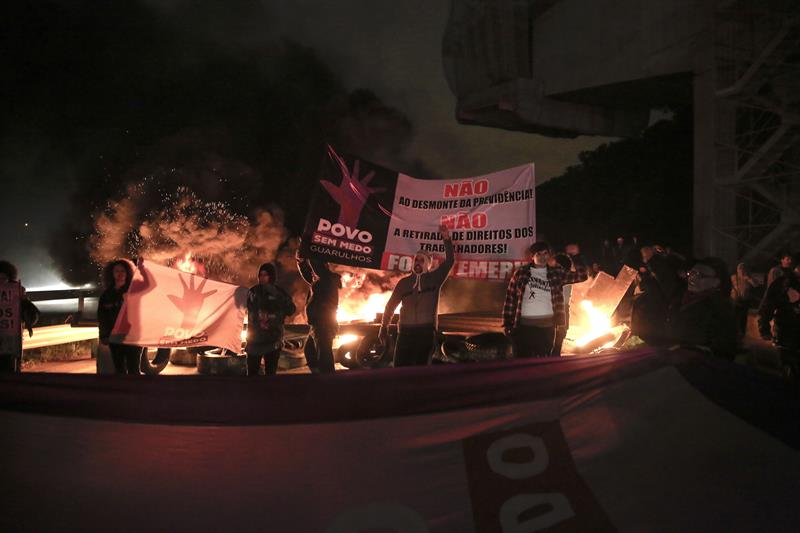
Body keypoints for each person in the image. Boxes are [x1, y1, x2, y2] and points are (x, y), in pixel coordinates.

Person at [378, 225, 455, 366]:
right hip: (405, 333)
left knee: (421, 371)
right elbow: (390, 306)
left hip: (426, 332)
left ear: (428, 265)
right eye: (416, 260)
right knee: (400, 369)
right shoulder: (404, 283)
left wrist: (446, 239)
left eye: (421, 260)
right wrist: (383, 327)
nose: (418, 262)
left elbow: (450, 261)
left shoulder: (435, 279)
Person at [503, 242, 588, 358]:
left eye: (545, 254)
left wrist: (575, 256)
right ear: (532, 256)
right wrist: (508, 323)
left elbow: (582, 275)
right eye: (539, 254)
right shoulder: (521, 273)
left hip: (547, 327)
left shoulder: (556, 273)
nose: (543, 257)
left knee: (543, 361)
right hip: (524, 326)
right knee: (522, 362)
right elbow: (510, 297)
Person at [667, 258, 737, 359]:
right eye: (691, 273)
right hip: (677, 360)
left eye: (699, 275)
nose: (692, 278)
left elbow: (723, 351)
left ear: (716, 282)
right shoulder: (681, 300)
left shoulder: (719, 310)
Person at [296, 242, 341, 374]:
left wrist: (309, 251)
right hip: (317, 323)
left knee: (324, 356)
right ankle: (321, 378)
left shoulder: (327, 279)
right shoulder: (320, 281)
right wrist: (301, 260)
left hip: (324, 323)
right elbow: (308, 273)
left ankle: (327, 382)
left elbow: (316, 267)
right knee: (310, 352)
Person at [245, 262, 296, 376]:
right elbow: (244, 306)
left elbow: (291, 309)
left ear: (271, 276)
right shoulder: (253, 291)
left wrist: (274, 313)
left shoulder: (278, 292)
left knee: (270, 375)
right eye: (260, 275)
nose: (262, 278)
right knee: (252, 375)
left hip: (272, 341)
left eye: (265, 275)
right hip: (254, 340)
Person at [97, 259, 143, 374]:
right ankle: (122, 391)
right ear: (111, 274)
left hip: (133, 337)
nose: (120, 274)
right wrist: (104, 336)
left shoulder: (134, 292)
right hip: (115, 337)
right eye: (117, 271)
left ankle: (136, 391)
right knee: (119, 369)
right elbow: (102, 317)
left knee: (134, 369)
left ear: (128, 273)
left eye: (123, 271)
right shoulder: (106, 295)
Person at [758, 263, 800, 377]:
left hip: (789, 334)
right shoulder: (782, 284)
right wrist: (764, 329)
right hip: (787, 334)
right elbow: (767, 307)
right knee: (789, 367)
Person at [0, 260, 39, 373]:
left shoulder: (16, 299)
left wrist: (23, 300)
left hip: (9, 355)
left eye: (4, 280)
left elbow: (32, 318)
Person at [730, 262, 757, 338]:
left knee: (743, 318)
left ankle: (742, 334)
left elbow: (755, 285)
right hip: (735, 300)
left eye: (743, 269)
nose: (741, 271)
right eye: (740, 269)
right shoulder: (733, 277)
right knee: (735, 317)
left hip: (745, 300)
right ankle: (734, 333)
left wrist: (748, 278)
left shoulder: (748, 278)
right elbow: (728, 286)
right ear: (737, 270)